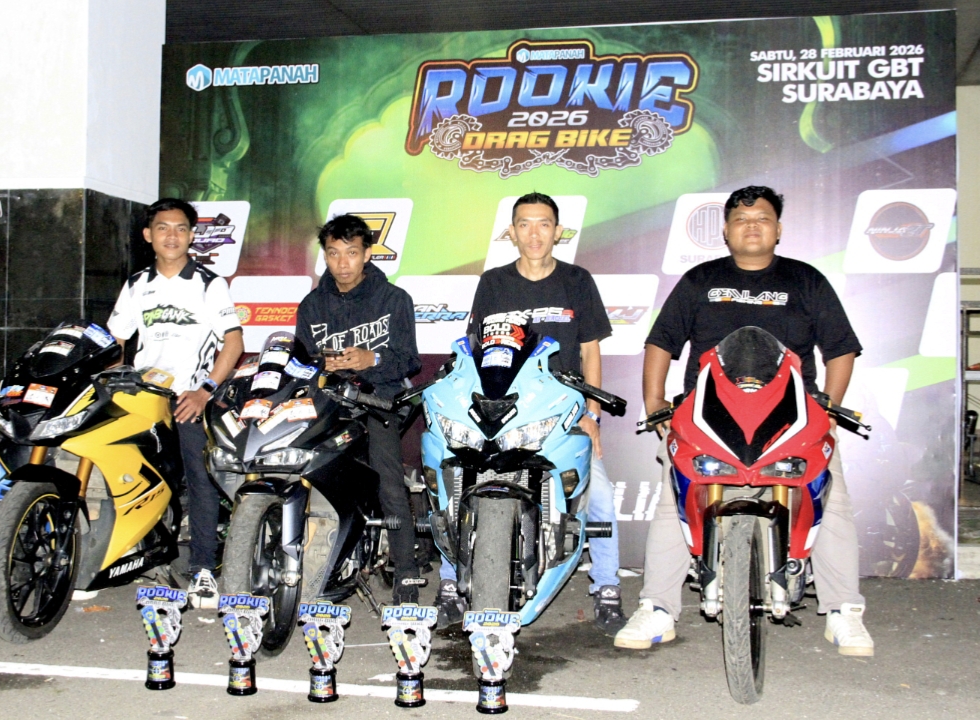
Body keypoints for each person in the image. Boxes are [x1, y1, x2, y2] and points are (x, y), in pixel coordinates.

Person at [614, 185, 873, 656]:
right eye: (741, 219)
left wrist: (828, 409)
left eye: (762, 218)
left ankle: (844, 612)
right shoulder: (700, 280)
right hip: (705, 417)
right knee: (674, 501)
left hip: (794, 418)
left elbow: (841, 349)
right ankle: (657, 607)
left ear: (778, 229)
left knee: (830, 499)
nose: (751, 226)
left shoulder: (806, 280)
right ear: (726, 230)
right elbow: (662, 342)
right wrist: (654, 404)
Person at [434, 192, 626, 635]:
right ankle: (448, 584)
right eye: (524, 224)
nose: (534, 233)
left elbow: (590, 350)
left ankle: (607, 587)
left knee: (597, 494)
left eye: (544, 224)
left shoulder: (577, 280)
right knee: (456, 482)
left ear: (558, 232)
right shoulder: (494, 282)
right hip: (500, 407)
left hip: (561, 410)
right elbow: (475, 351)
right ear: (512, 232)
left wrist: (592, 413)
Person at [108, 198, 244, 609]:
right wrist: (115, 384)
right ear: (148, 235)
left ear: (191, 235)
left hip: (189, 398)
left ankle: (203, 570)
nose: (172, 236)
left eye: (181, 228)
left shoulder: (208, 283)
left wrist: (205, 390)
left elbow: (234, 343)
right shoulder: (136, 284)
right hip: (143, 398)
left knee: (200, 481)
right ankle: (121, 559)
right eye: (163, 228)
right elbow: (116, 340)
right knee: (128, 476)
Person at [294, 213, 423, 604]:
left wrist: (372, 359)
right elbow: (299, 365)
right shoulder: (312, 305)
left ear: (367, 254)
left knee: (388, 481)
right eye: (334, 253)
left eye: (351, 252)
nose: (342, 263)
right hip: (328, 402)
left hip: (377, 399)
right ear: (325, 256)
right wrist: (322, 366)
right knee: (294, 465)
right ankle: (295, 563)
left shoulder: (394, 299)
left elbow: (409, 361)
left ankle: (406, 573)